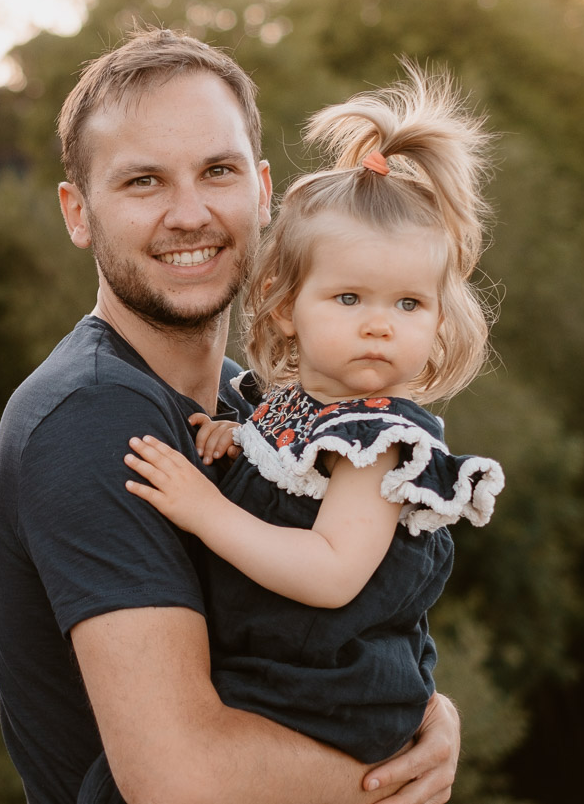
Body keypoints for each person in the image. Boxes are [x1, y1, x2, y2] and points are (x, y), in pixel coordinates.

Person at [0, 28, 461, 804]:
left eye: (218, 171)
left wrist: (430, 716)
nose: (189, 212)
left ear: (263, 190)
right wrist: (399, 765)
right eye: (143, 182)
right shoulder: (92, 419)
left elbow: (335, 624)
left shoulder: (258, 410)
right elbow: (183, 779)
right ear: (78, 211)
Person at [123, 64, 504, 764]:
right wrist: (240, 436)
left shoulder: (381, 443)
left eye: (409, 304)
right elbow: (289, 460)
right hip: (283, 675)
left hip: (330, 696)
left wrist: (206, 509)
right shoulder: (301, 406)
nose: (379, 325)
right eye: (350, 298)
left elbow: (330, 570)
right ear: (286, 303)